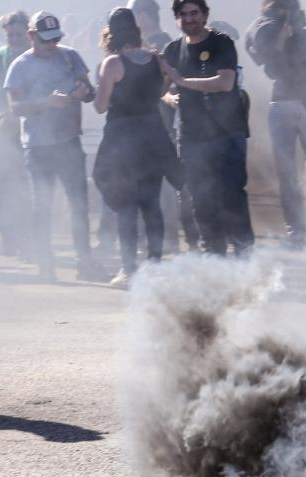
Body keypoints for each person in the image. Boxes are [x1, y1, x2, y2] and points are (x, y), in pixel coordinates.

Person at [5, 11, 109, 281]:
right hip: (38, 148)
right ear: (31, 36)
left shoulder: (69, 56)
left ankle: (84, 264)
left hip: (69, 142)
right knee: (43, 206)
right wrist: (47, 102)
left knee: (79, 204)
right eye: (45, 40)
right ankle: (45, 265)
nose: (51, 45)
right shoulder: (19, 65)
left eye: (55, 39)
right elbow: (15, 108)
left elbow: (90, 92)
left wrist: (82, 93)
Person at [160, 0, 253, 256]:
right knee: (200, 198)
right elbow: (162, 91)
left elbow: (225, 82)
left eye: (194, 13)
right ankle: (214, 254)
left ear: (205, 15)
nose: (189, 19)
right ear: (176, 18)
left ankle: (244, 253)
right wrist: (170, 97)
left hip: (227, 132)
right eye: (183, 14)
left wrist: (183, 82)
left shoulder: (221, 43)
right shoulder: (172, 49)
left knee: (231, 194)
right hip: (191, 136)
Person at [247, 0, 306, 246]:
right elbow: (273, 70)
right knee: (287, 173)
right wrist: (280, 40)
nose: (284, 13)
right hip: (282, 104)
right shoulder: (263, 32)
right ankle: (297, 232)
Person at [93, 6, 176, 285]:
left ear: (112, 34)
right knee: (151, 202)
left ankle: (129, 269)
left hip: (123, 140)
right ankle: (154, 265)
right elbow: (163, 91)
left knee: (127, 205)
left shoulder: (112, 64)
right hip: (152, 135)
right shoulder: (158, 60)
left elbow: (101, 106)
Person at [0, 10, 33, 256]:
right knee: (0, 187)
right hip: (2, 133)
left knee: (26, 187)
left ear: (29, 34)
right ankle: (8, 237)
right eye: (9, 34)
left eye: (19, 34)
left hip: (33, 131)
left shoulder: (38, 57)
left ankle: (27, 237)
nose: (13, 39)